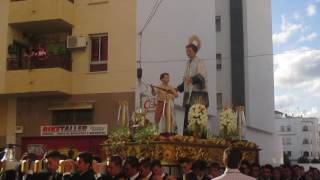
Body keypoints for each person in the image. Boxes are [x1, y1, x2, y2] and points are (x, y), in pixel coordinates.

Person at [177, 42, 209, 134]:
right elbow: (186, 81)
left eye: (189, 51)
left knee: (198, 120)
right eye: (186, 51)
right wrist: (177, 89)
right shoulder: (188, 63)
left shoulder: (200, 61)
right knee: (187, 119)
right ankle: (187, 140)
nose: (187, 53)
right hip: (189, 95)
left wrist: (191, 79)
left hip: (198, 95)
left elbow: (201, 77)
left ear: (195, 51)